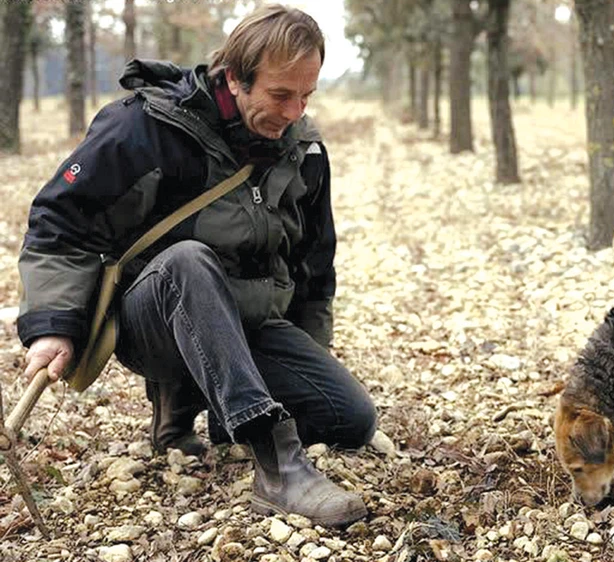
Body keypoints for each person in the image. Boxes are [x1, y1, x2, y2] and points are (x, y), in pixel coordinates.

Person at [16, 5, 376, 527]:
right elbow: (59, 222)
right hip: (155, 320)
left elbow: (314, 267)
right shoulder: (144, 126)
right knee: (188, 261)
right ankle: (276, 465)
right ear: (234, 77)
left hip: (248, 322)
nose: (296, 111)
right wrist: (52, 326)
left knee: (350, 419)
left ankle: (220, 400)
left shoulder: (304, 150)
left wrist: (306, 360)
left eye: (307, 95)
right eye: (281, 95)